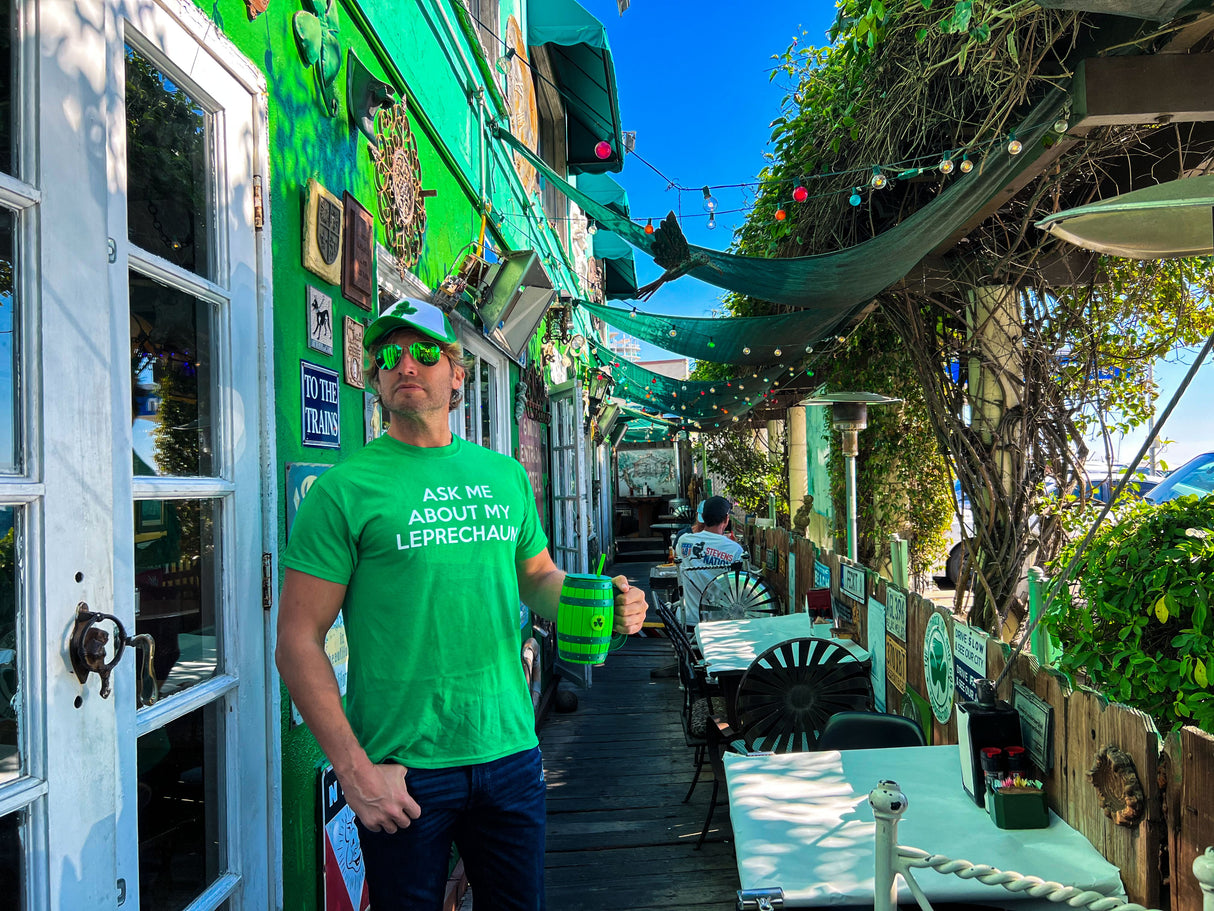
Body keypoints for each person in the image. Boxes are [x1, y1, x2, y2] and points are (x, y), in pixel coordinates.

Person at [276, 297, 648, 911]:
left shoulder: (504, 476)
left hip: (510, 752)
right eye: (387, 356)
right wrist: (355, 772)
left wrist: (602, 601)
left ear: (457, 373)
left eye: (424, 352)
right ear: (373, 378)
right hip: (403, 771)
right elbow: (297, 641)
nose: (404, 364)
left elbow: (537, 579)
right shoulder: (344, 490)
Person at [672, 495, 744, 627]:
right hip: (720, 623)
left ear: (703, 518)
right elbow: (740, 589)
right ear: (726, 519)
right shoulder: (735, 550)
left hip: (687, 620)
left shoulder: (684, 540)